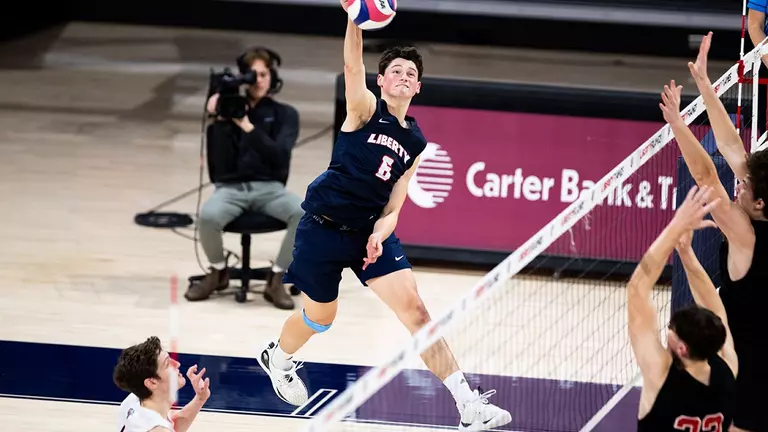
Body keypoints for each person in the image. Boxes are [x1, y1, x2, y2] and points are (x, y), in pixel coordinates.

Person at [255, 1, 512, 430]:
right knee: (321, 317)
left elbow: (396, 203)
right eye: (396, 71)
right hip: (322, 228)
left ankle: (468, 404)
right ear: (382, 81)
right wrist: (354, 17)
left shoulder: (416, 142)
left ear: (418, 89)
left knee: (416, 312)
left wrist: (380, 231)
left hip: (368, 235)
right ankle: (277, 358)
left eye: (412, 74)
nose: (404, 76)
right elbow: (350, 64)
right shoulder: (363, 110)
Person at [659, 31, 768, 432]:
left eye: (744, 186)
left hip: (753, 369)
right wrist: (705, 83)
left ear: (758, 204)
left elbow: (707, 174)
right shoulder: (759, 210)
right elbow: (733, 148)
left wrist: (677, 124)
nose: (738, 184)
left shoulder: (746, 234)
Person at [185, 46, 304, 310]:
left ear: (272, 77)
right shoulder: (227, 111)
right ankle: (218, 272)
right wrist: (217, 117)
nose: (258, 80)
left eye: (263, 74)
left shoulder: (286, 114)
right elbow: (217, 161)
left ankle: (277, 278)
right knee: (208, 216)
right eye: (252, 75)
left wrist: (247, 126)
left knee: (303, 213)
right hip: (231, 188)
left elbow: (279, 155)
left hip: (270, 188)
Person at [627, 185, 738, 431]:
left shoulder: (660, 373)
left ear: (682, 348)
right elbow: (715, 309)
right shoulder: (727, 368)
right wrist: (686, 254)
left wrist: (677, 226)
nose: (667, 331)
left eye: (671, 329)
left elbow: (636, 289)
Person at [113, 336, 211, 432]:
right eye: (167, 363)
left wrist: (200, 398)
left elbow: (170, 424)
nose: (177, 364)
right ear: (152, 382)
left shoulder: (133, 400)